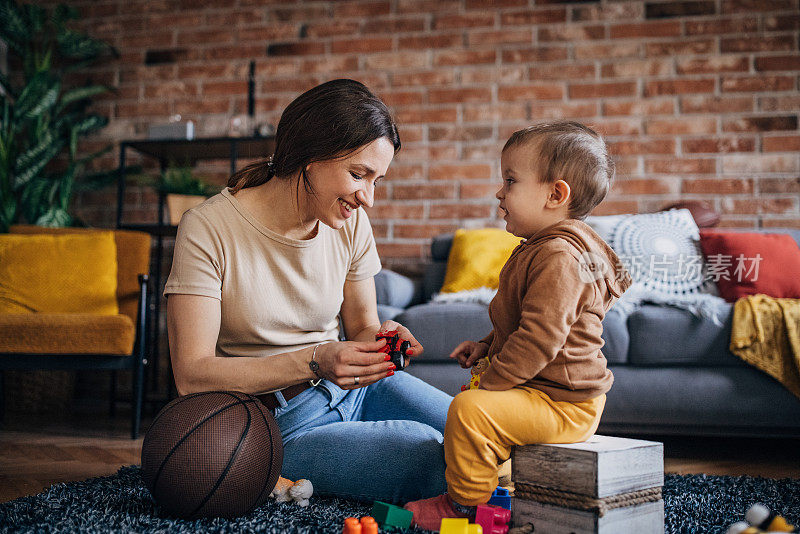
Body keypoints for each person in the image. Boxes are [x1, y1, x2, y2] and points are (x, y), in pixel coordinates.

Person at [164, 79, 452, 504]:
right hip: (279, 425)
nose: (368, 198)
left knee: (476, 432)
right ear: (309, 158)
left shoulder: (350, 223)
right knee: (434, 460)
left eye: (377, 181)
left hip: (355, 389)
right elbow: (191, 375)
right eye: (359, 175)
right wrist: (316, 360)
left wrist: (381, 342)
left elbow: (361, 327)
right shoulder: (208, 228)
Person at [403, 121, 633, 529]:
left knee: (469, 410)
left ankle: (464, 508)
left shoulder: (560, 256)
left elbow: (540, 339)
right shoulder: (540, 249)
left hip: (566, 403)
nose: (499, 192)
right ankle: (500, 479)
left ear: (555, 194)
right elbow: (524, 321)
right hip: (546, 393)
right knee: (476, 407)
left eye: (510, 181)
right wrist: (487, 346)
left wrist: (492, 383)